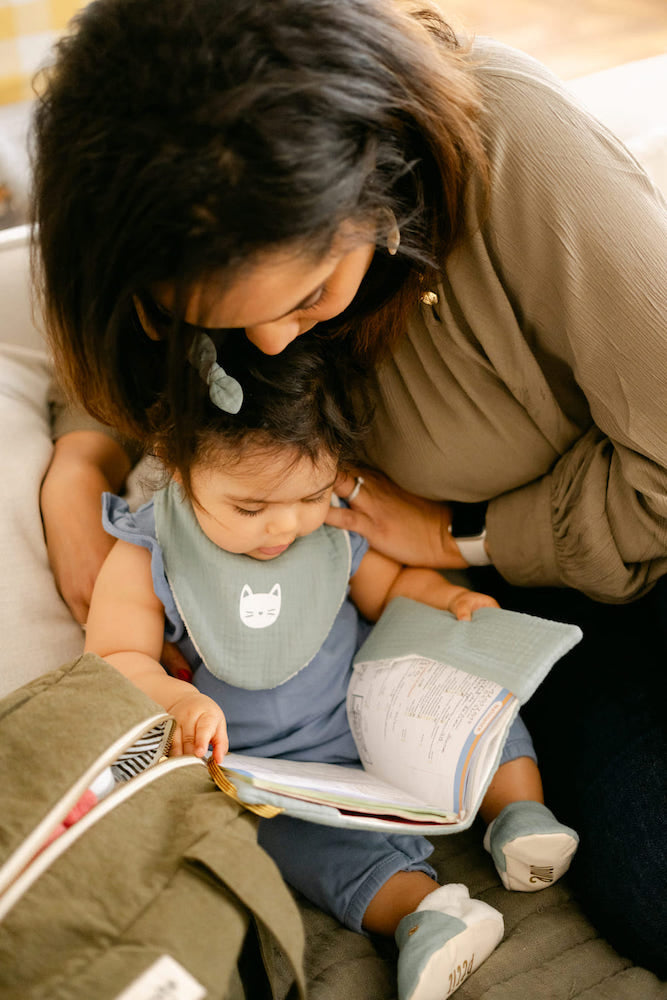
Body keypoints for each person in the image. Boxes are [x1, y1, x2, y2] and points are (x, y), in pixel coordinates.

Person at [32, 0, 666, 977]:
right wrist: (81, 463)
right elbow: (117, 354)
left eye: (308, 296)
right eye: (218, 323)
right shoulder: (191, 246)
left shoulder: (512, 146)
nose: (275, 346)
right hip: (517, 610)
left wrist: (460, 538)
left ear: (378, 172)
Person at [84, 333, 578, 1000]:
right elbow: (115, 657)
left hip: (368, 711)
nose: (285, 526)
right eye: (250, 508)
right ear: (176, 462)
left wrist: (444, 598)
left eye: (311, 495)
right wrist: (173, 700)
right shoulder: (149, 553)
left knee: (473, 697)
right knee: (287, 845)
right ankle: (425, 916)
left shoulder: (329, 530)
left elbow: (388, 585)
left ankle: (520, 817)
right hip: (273, 769)